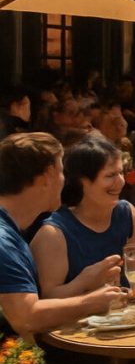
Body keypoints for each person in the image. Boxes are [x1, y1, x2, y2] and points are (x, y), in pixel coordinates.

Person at [0, 133, 127, 341]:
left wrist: (86, 281)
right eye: (62, 172)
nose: (66, 180)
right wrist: (92, 301)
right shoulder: (3, 240)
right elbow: (26, 318)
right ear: (48, 176)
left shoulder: (9, 230)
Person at [31, 137, 135, 298]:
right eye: (110, 175)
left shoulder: (126, 212)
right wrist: (86, 282)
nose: (121, 182)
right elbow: (48, 297)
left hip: (124, 316)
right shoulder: (53, 233)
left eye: (121, 172)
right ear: (82, 182)